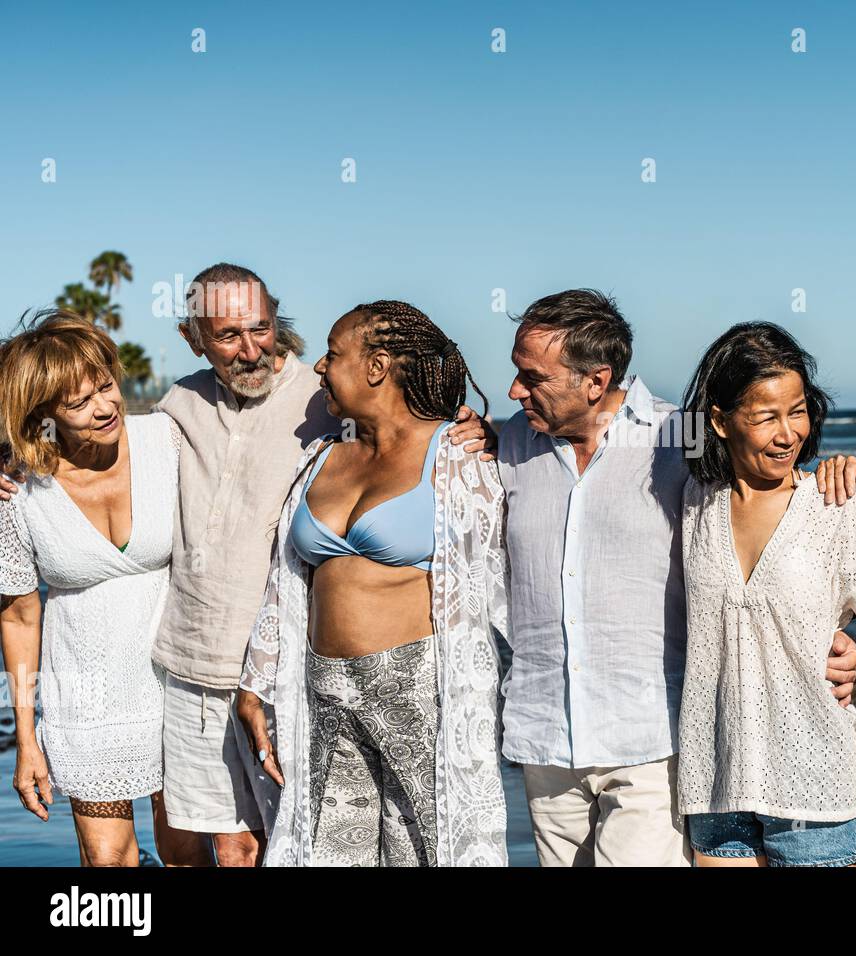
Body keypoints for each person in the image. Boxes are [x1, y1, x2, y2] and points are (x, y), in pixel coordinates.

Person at [0, 263, 490, 866]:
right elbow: (26, 595)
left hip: (283, 667)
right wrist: (9, 456)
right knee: (204, 851)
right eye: (228, 336)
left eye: (262, 328)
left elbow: (402, 430)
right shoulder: (176, 407)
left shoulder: (317, 400)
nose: (251, 349)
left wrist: (472, 427)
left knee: (300, 844)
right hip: (177, 667)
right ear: (193, 339)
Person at [495, 289, 856, 867]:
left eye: (532, 377)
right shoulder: (508, 442)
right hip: (542, 736)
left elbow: (769, 495)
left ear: (596, 380)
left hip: (652, 740)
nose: (515, 391)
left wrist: (834, 640)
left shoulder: (680, 440)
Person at [236, 300, 509, 866]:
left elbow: (499, 584)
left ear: (378, 366)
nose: (319, 368)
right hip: (322, 691)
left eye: (333, 355)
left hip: (418, 690)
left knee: (428, 853)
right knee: (327, 854)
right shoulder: (321, 457)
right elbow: (284, 581)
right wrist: (257, 681)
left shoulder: (456, 457)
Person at [676, 322, 856, 867]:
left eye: (797, 411)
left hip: (816, 791)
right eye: (765, 416)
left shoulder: (835, 505)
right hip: (715, 781)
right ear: (721, 422)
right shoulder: (693, 502)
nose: (787, 433)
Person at [0, 311, 189, 865]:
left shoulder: (169, 440)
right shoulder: (19, 492)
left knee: (188, 854)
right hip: (86, 701)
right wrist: (27, 739)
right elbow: (17, 617)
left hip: (182, 685)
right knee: (108, 865)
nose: (105, 407)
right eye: (78, 403)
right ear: (44, 415)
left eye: (105, 386)